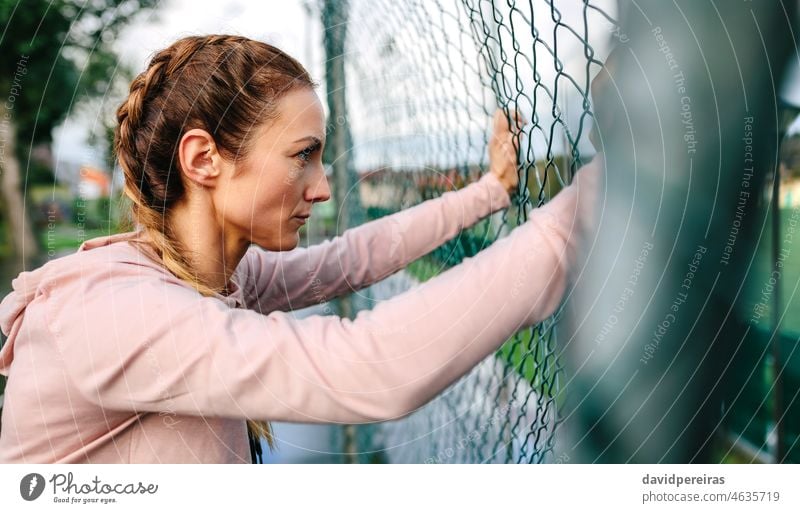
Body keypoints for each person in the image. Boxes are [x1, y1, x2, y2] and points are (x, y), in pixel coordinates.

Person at [0, 35, 600, 463]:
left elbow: (354, 258)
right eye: (302, 155)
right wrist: (601, 202)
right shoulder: (113, 311)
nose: (322, 184)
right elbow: (373, 368)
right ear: (203, 160)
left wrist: (489, 193)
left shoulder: (218, 275)